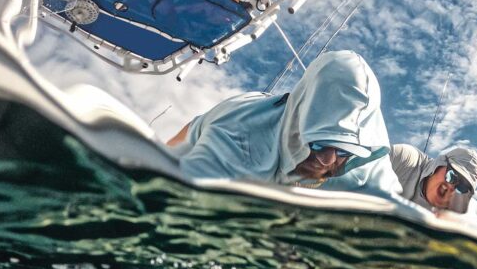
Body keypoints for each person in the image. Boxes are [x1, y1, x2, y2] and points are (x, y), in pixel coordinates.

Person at [169, 50, 402, 197]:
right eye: (319, 143)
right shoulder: (238, 135)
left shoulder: (365, 162)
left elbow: (397, 215)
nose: (328, 160)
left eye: (343, 149)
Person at [389, 143, 477, 214]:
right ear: (440, 163)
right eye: (452, 175)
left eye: (462, 187)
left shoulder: (454, 219)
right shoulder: (405, 159)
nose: (451, 187)